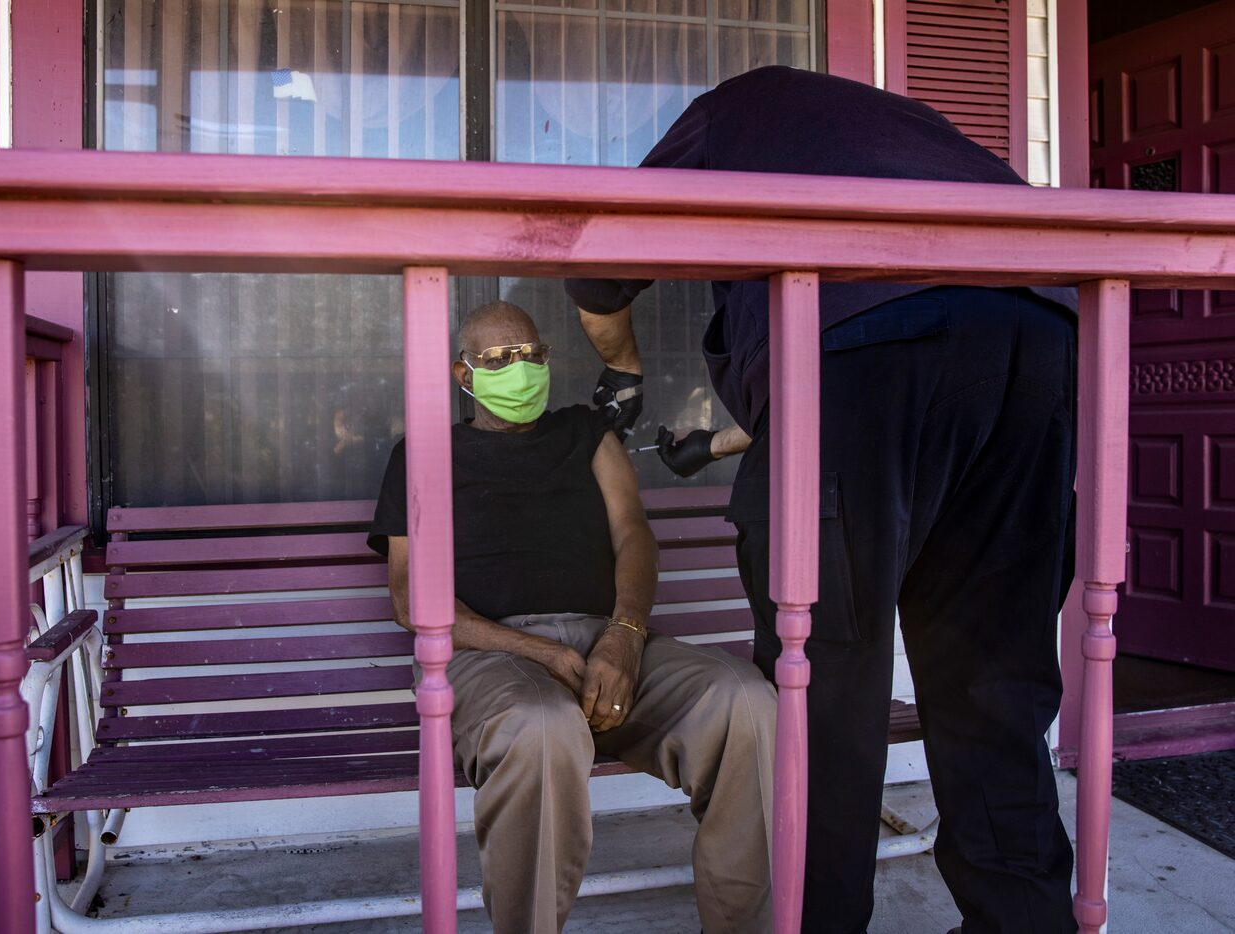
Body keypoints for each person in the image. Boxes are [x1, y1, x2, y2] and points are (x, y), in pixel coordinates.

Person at [566, 65, 1080, 934]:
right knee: (993, 681)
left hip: (863, 346)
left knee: (821, 699)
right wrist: (724, 440)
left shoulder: (735, 108)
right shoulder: (918, 134)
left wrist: (622, 366)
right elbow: (920, 347)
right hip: (1040, 332)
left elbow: (603, 265)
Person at [368, 301, 778, 934]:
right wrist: (544, 655)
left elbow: (632, 535)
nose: (520, 368)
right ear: (464, 374)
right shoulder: (423, 454)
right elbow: (410, 599)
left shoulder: (588, 434)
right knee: (539, 725)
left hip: (608, 643)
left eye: (531, 355)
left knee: (747, 703)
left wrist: (625, 636)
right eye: (500, 359)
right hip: (493, 659)